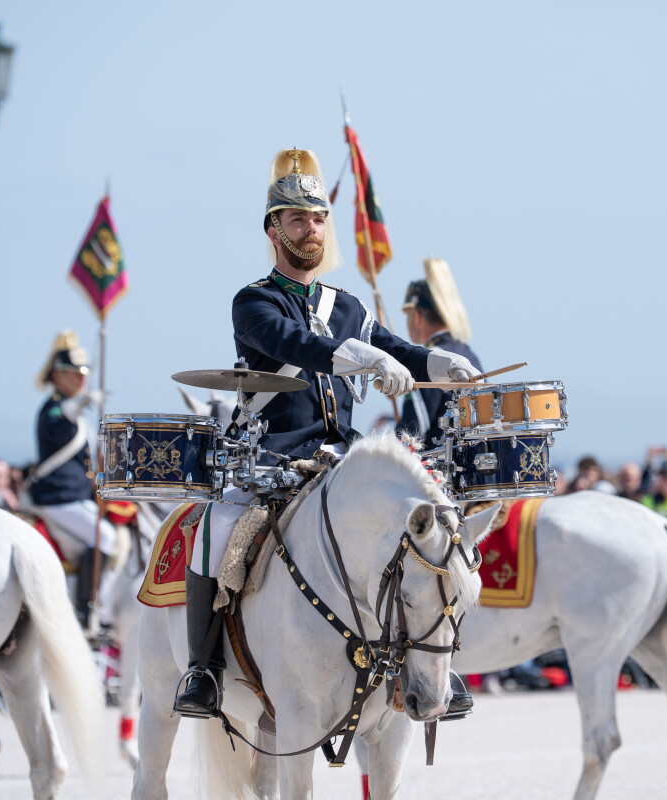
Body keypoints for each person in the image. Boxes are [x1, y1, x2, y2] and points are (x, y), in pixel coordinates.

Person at [173, 148, 481, 720]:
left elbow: (399, 350)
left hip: (342, 457)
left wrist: (438, 366)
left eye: (317, 219)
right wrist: (356, 355)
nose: (310, 229)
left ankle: (433, 663)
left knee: (422, 530)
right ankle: (203, 670)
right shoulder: (254, 301)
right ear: (273, 229)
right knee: (214, 528)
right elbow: (297, 345)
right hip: (272, 457)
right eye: (296, 219)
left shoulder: (348, 305)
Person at [24, 330, 112, 627]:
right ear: (58, 375)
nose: (81, 379)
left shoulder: (73, 410)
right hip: (57, 497)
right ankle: (86, 610)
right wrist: (84, 401)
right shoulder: (52, 408)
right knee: (107, 538)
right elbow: (63, 415)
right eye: (74, 373)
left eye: (84, 373)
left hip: (75, 495)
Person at [397, 257, 483, 449]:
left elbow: (409, 434)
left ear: (417, 316)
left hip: (437, 473)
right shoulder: (470, 356)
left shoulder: (430, 360)